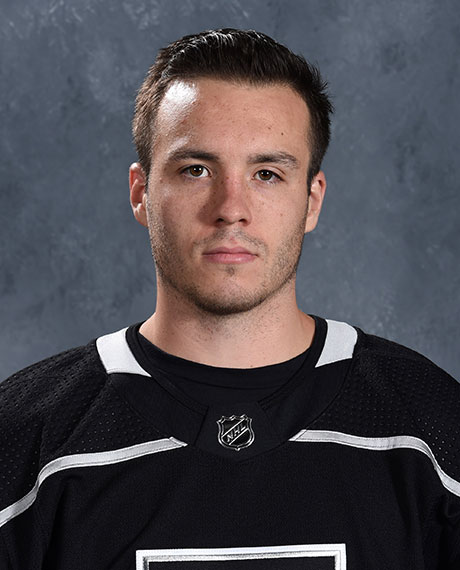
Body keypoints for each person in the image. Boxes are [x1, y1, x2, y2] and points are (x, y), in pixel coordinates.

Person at [0, 28, 459, 570]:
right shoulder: (25, 437)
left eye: (267, 174)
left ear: (312, 200)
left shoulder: (428, 427)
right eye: (196, 170)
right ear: (141, 193)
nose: (230, 209)